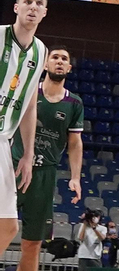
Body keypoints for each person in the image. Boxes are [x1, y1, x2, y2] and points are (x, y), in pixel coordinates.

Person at [13, 47, 83, 271]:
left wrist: (75, 177)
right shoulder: (29, 91)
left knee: (33, 242)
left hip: (44, 175)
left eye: (64, 59)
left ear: (69, 68)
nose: (60, 61)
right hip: (14, 167)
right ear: (45, 64)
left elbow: (74, 143)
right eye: (55, 57)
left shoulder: (74, 103)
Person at [0, 0, 51, 263]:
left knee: (8, 227)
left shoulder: (41, 51)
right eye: (28, 1)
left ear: (44, 13)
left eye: (39, 3)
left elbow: (30, 105)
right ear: (16, 7)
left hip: (3, 143)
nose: (33, 6)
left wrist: (28, 154)